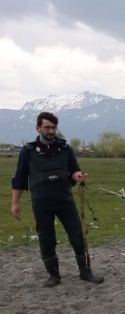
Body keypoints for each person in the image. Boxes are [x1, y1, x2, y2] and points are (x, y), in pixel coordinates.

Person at [11, 111, 104, 287]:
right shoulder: (28, 151)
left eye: (53, 127)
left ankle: (85, 272)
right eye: (47, 127)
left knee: (77, 234)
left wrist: (78, 176)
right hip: (41, 203)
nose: (51, 131)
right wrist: (15, 203)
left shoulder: (65, 149)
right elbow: (20, 178)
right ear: (38, 128)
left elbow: (74, 170)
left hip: (65, 200)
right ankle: (54, 276)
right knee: (47, 238)